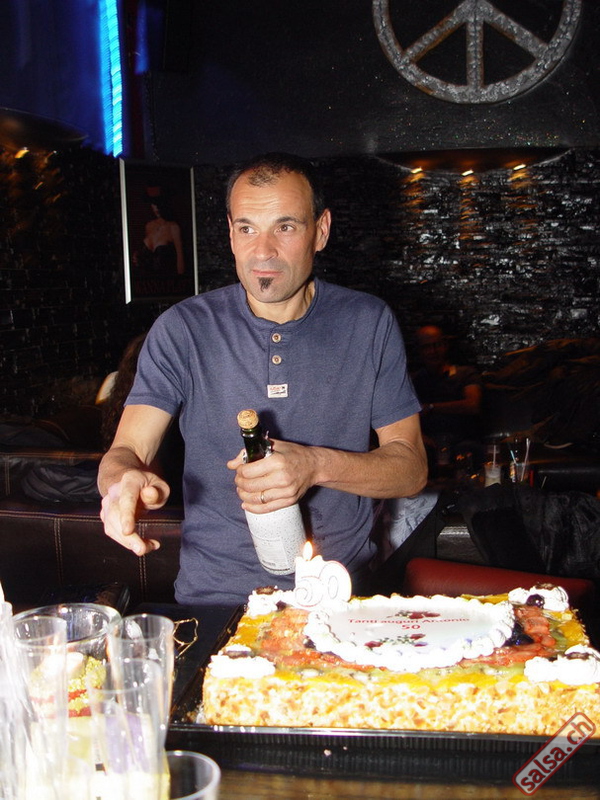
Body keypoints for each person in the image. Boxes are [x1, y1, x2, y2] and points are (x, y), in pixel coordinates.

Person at [98, 152, 427, 605]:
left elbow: (411, 469)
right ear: (230, 234)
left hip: (341, 595)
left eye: (285, 227)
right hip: (216, 598)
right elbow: (127, 451)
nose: (263, 251)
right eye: (247, 228)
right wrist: (122, 483)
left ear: (321, 231)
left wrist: (314, 465)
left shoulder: (368, 321)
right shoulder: (183, 328)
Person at [411, 325, 483, 473]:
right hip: (428, 443)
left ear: (445, 345)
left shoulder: (466, 374)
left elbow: (472, 405)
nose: (433, 351)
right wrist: (420, 437)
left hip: (463, 439)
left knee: (469, 450)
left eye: (437, 345)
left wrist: (431, 407)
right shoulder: (414, 381)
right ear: (419, 351)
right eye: (427, 347)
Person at [134, 188, 185, 276]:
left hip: (166, 281)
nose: (157, 207)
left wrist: (180, 280)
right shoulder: (149, 226)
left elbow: (180, 262)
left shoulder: (173, 227)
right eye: (154, 203)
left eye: (159, 203)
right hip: (146, 280)